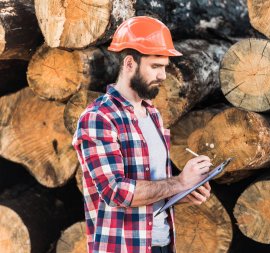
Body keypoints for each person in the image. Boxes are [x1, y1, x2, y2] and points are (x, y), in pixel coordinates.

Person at [72, 16, 212, 253]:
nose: (163, 76)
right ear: (129, 64)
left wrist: (184, 191)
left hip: (161, 244)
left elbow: (154, 187)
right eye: (155, 66)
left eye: (164, 67)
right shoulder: (99, 118)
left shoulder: (153, 114)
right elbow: (114, 192)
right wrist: (179, 182)